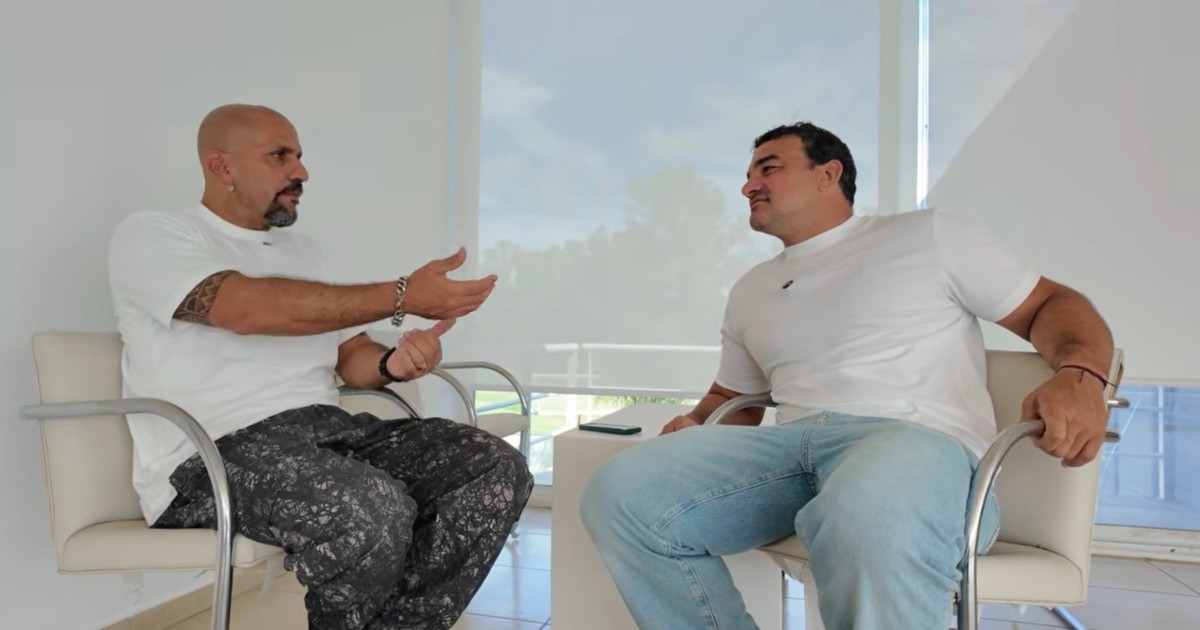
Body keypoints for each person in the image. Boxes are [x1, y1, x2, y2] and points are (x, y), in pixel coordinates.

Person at [581, 122, 1114, 630]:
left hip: (913, 443)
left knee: (867, 508)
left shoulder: (928, 236)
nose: (748, 186)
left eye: (768, 168)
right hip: (788, 452)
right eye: (747, 175)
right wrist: (698, 421)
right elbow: (735, 397)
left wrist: (1082, 374)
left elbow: (1050, 304)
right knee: (622, 493)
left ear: (828, 173)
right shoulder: (752, 288)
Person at [108, 104, 533, 630]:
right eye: (279, 156)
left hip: (326, 434)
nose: (301, 172)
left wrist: (393, 362)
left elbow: (350, 358)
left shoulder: (305, 253)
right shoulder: (155, 234)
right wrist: (403, 295)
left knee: (493, 467)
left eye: (300, 156)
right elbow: (244, 309)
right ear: (221, 166)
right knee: (369, 508)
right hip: (211, 455)